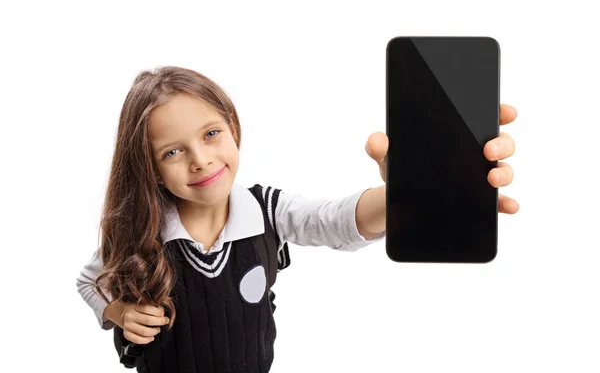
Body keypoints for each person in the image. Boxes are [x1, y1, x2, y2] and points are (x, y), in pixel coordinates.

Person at [76, 66, 519, 372]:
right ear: (149, 167)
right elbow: (89, 280)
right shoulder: (139, 229)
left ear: (232, 127)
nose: (200, 159)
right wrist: (116, 310)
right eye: (172, 151)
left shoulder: (268, 210)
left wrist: (407, 190)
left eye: (211, 134)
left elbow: (335, 220)